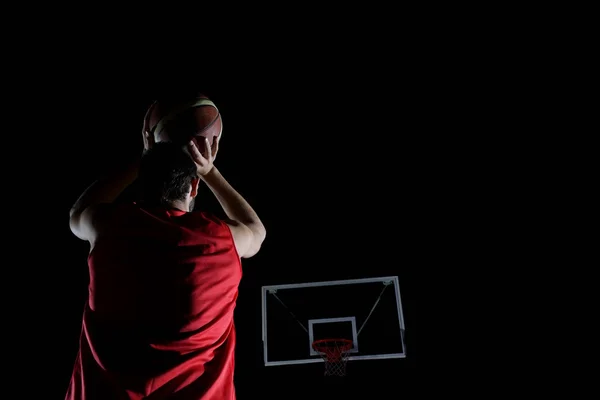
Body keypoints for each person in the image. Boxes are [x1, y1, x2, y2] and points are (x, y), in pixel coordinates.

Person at [65, 118, 266, 399]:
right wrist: (209, 170)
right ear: (194, 187)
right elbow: (257, 230)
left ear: (141, 181)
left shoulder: (107, 226)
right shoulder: (222, 240)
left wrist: (144, 159)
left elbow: (78, 212)